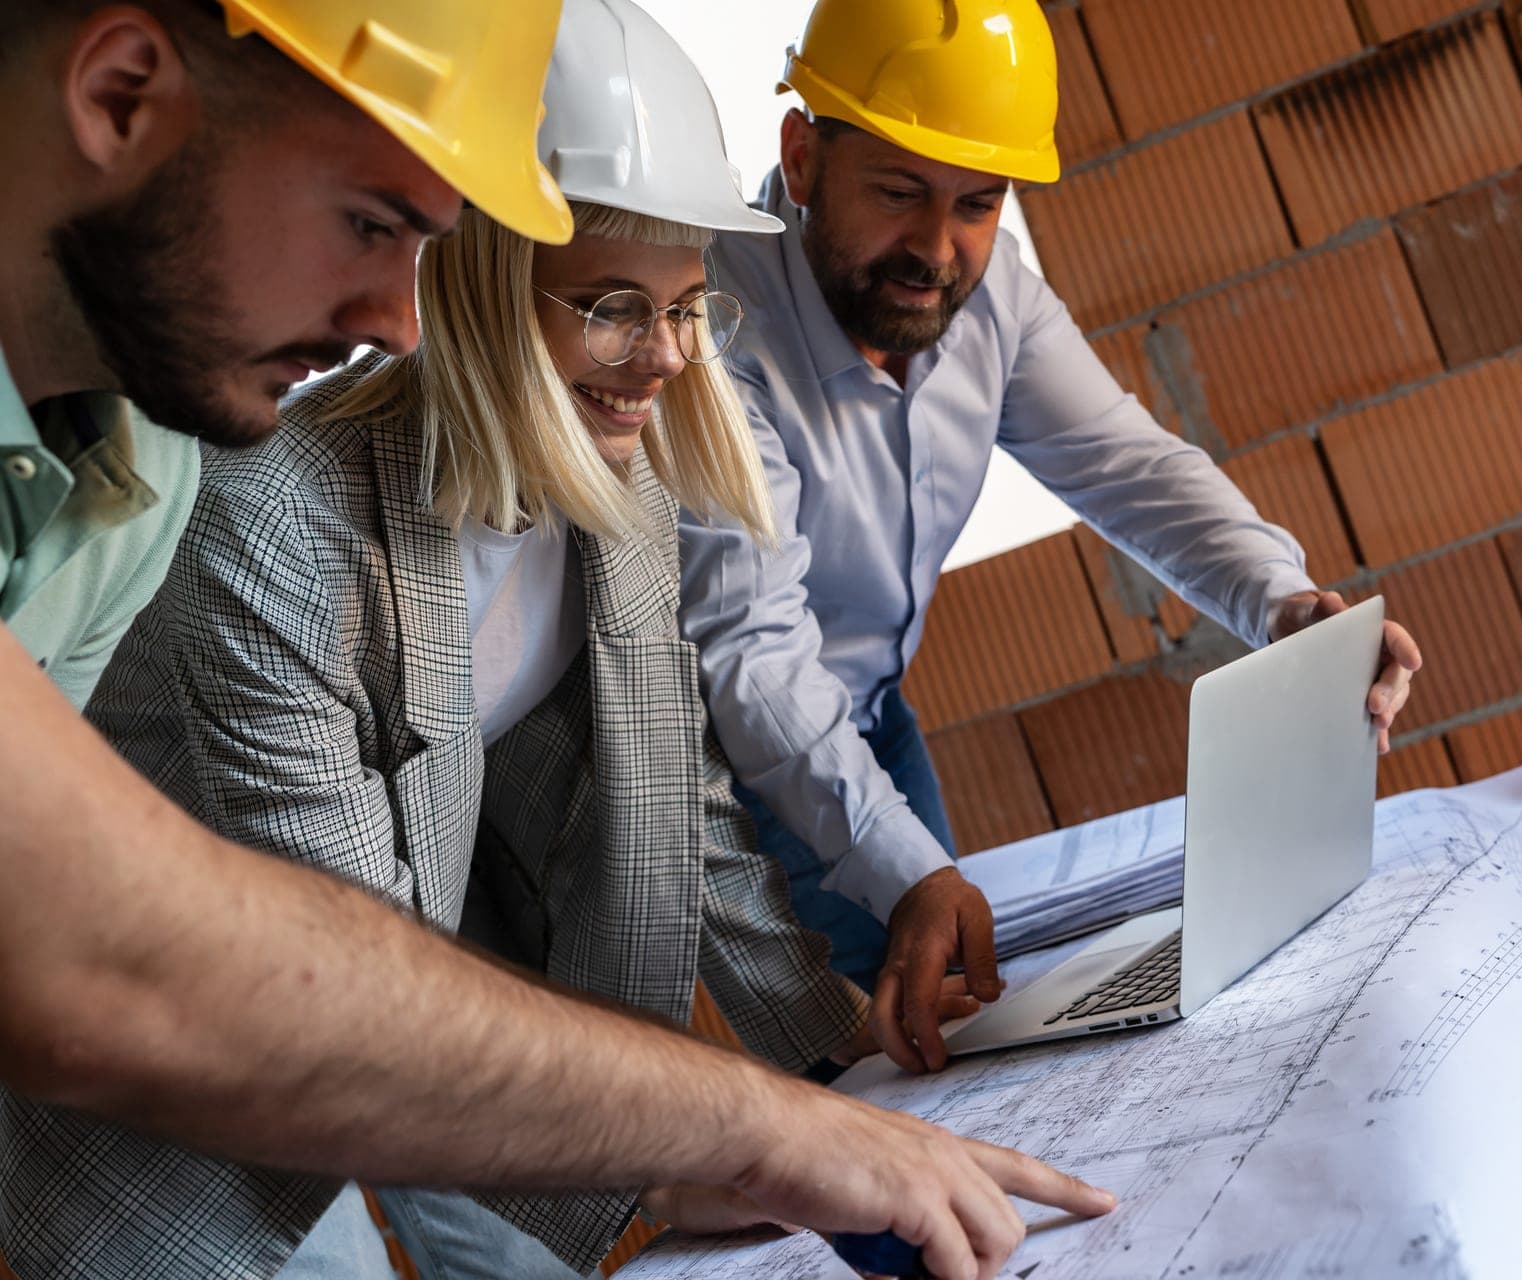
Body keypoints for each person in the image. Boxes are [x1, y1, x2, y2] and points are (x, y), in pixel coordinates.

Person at [0, 4, 1110, 1278]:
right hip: (206, 1099)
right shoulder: (251, 507)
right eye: (373, 222)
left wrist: (834, 1068)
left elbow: (675, 808)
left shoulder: (609, 490)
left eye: (691, 306)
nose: (390, 313)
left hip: (417, 1007)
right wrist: (735, 1136)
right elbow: (302, 996)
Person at [679, 0, 1425, 1075]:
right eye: (899, 193)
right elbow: (752, 655)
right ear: (803, 157)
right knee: (870, 1090)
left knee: (955, 1045)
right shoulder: (710, 333)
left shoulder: (990, 301)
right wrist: (906, 870)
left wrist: (1283, 602)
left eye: (978, 204)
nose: (937, 250)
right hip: (729, 771)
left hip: (870, 722)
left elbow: (1130, 464)